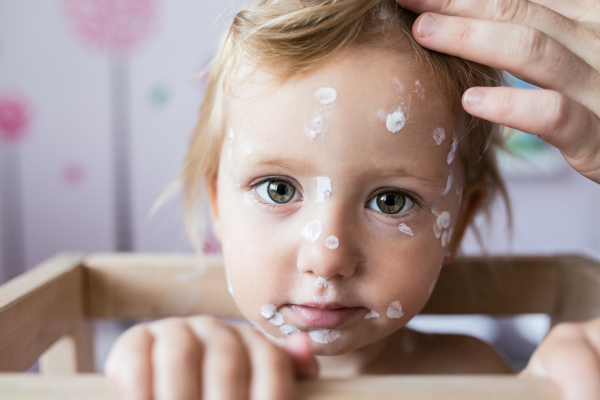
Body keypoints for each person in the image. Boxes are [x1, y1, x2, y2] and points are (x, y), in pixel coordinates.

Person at [105, 1, 600, 399]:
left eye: (390, 201)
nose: (327, 255)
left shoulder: (474, 377)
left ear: (461, 220)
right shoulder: (208, 377)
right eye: (278, 189)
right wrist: (165, 364)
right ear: (217, 204)